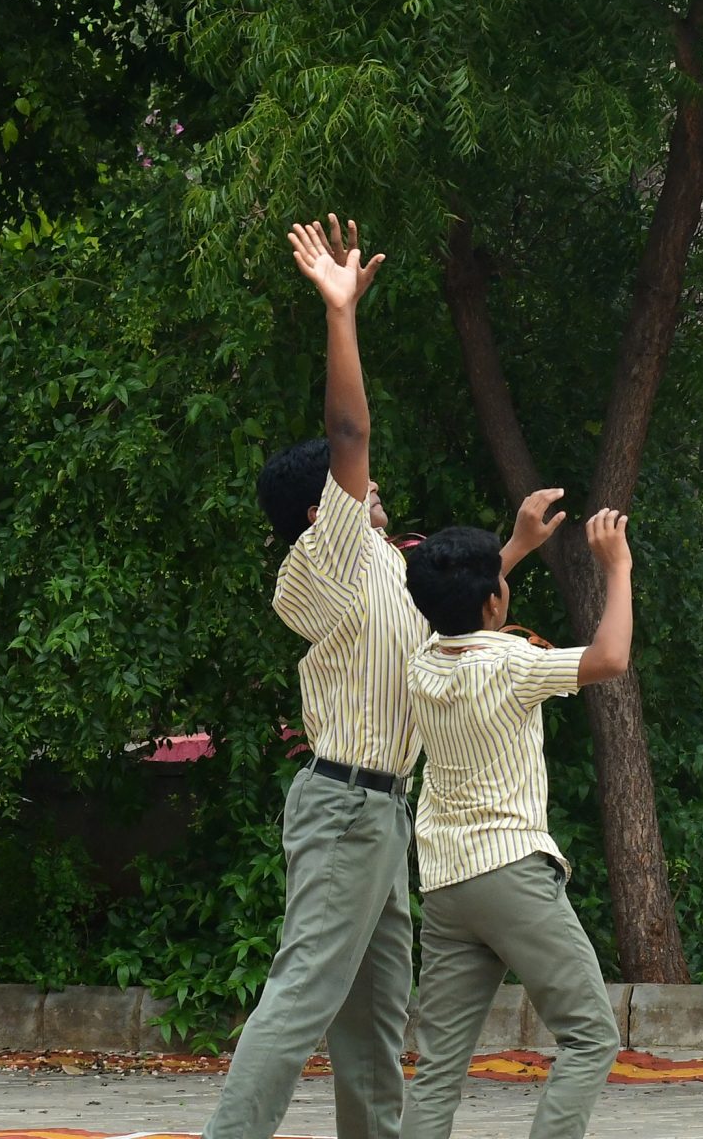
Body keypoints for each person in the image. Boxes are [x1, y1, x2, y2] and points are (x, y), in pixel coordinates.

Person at [202, 216, 423, 1139]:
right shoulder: (324, 557)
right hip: (345, 807)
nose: (373, 488)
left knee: (375, 1025)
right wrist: (341, 315)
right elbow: (350, 427)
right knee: (300, 997)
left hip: (383, 809)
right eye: (351, 483)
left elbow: (442, 642)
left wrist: (517, 552)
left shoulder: (379, 564)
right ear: (321, 503)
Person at [398, 504, 633, 1139]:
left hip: (446, 885)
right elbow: (610, 657)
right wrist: (618, 567)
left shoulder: (420, 664)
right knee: (590, 1036)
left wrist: (518, 545)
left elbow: (454, 606)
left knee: (439, 1067)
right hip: (510, 874)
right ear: (494, 603)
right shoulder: (510, 663)